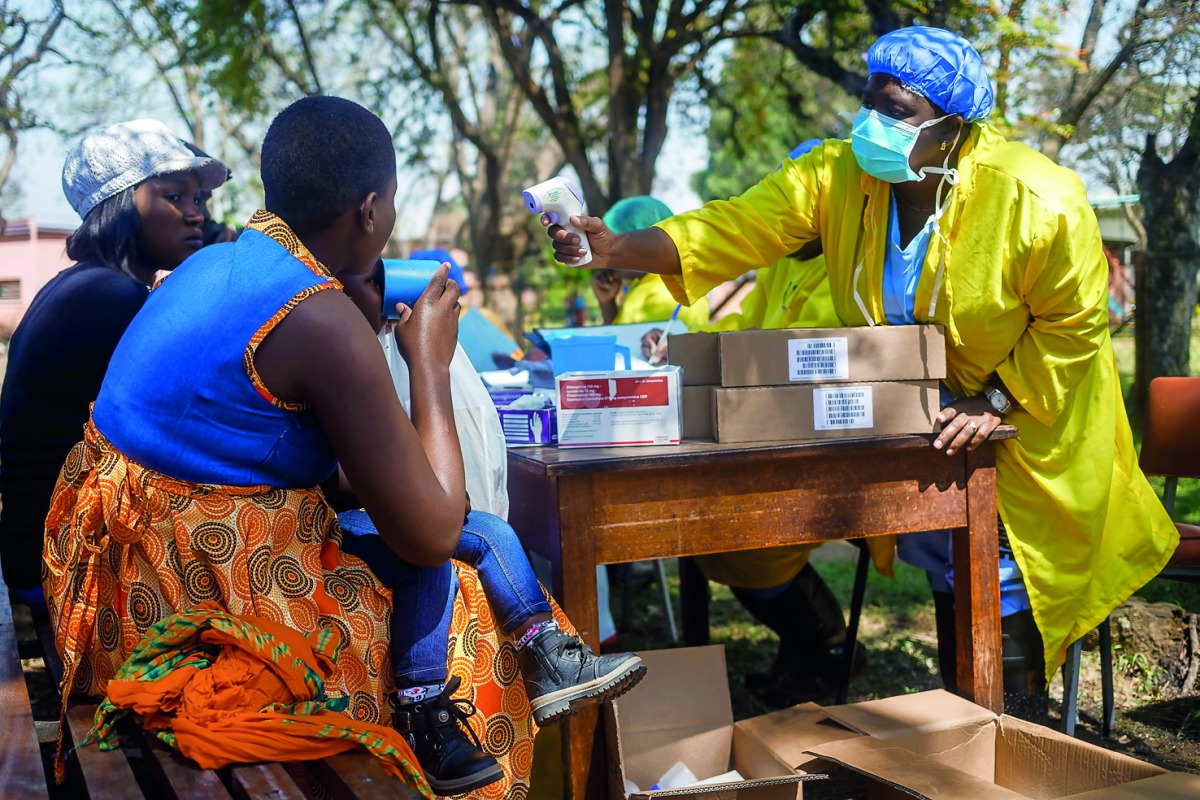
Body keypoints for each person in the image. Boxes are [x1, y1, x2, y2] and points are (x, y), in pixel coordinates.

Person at [542, 26, 1179, 721]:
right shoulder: (840, 173)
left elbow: (1077, 324)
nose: (872, 123)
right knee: (950, 556)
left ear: (953, 126)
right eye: (868, 103)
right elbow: (736, 226)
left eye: (896, 111)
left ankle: (1013, 727)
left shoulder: (1036, 198)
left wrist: (996, 397)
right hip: (928, 425)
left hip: (1036, 421)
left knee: (1007, 568)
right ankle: (967, 727)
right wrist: (620, 245)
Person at [41, 97, 640, 798]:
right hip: (199, 597)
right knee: (464, 598)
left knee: (437, 551)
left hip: (115, 578)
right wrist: (428, 366)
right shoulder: (318, 317)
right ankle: (436, 741)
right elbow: (432, 532)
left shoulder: (212, 268)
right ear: (370, 210)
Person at [335, 258, 645, 794]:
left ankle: (546, 654)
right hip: (339, 514)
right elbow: (345, 473)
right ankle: (423, 714)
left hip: (386, 502)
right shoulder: (334, 348)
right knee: (428, 561)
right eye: (371, 280)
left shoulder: (376, 347)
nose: (387, 294)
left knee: (495, 534)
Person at [0, 119, 228, 611]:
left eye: (199, 200)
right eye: (174, 196)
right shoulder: (112, 298)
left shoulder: (84, 285)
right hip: (61, 563)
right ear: (122, 206)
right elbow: (195, 423)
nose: (195, 215)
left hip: (39, 548)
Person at [591, 196, 710, 328]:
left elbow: (628, 345)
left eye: (618, 247)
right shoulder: (646, 287)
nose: (610, 257)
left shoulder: (664, 295)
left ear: (647, 245)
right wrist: (607, 303)